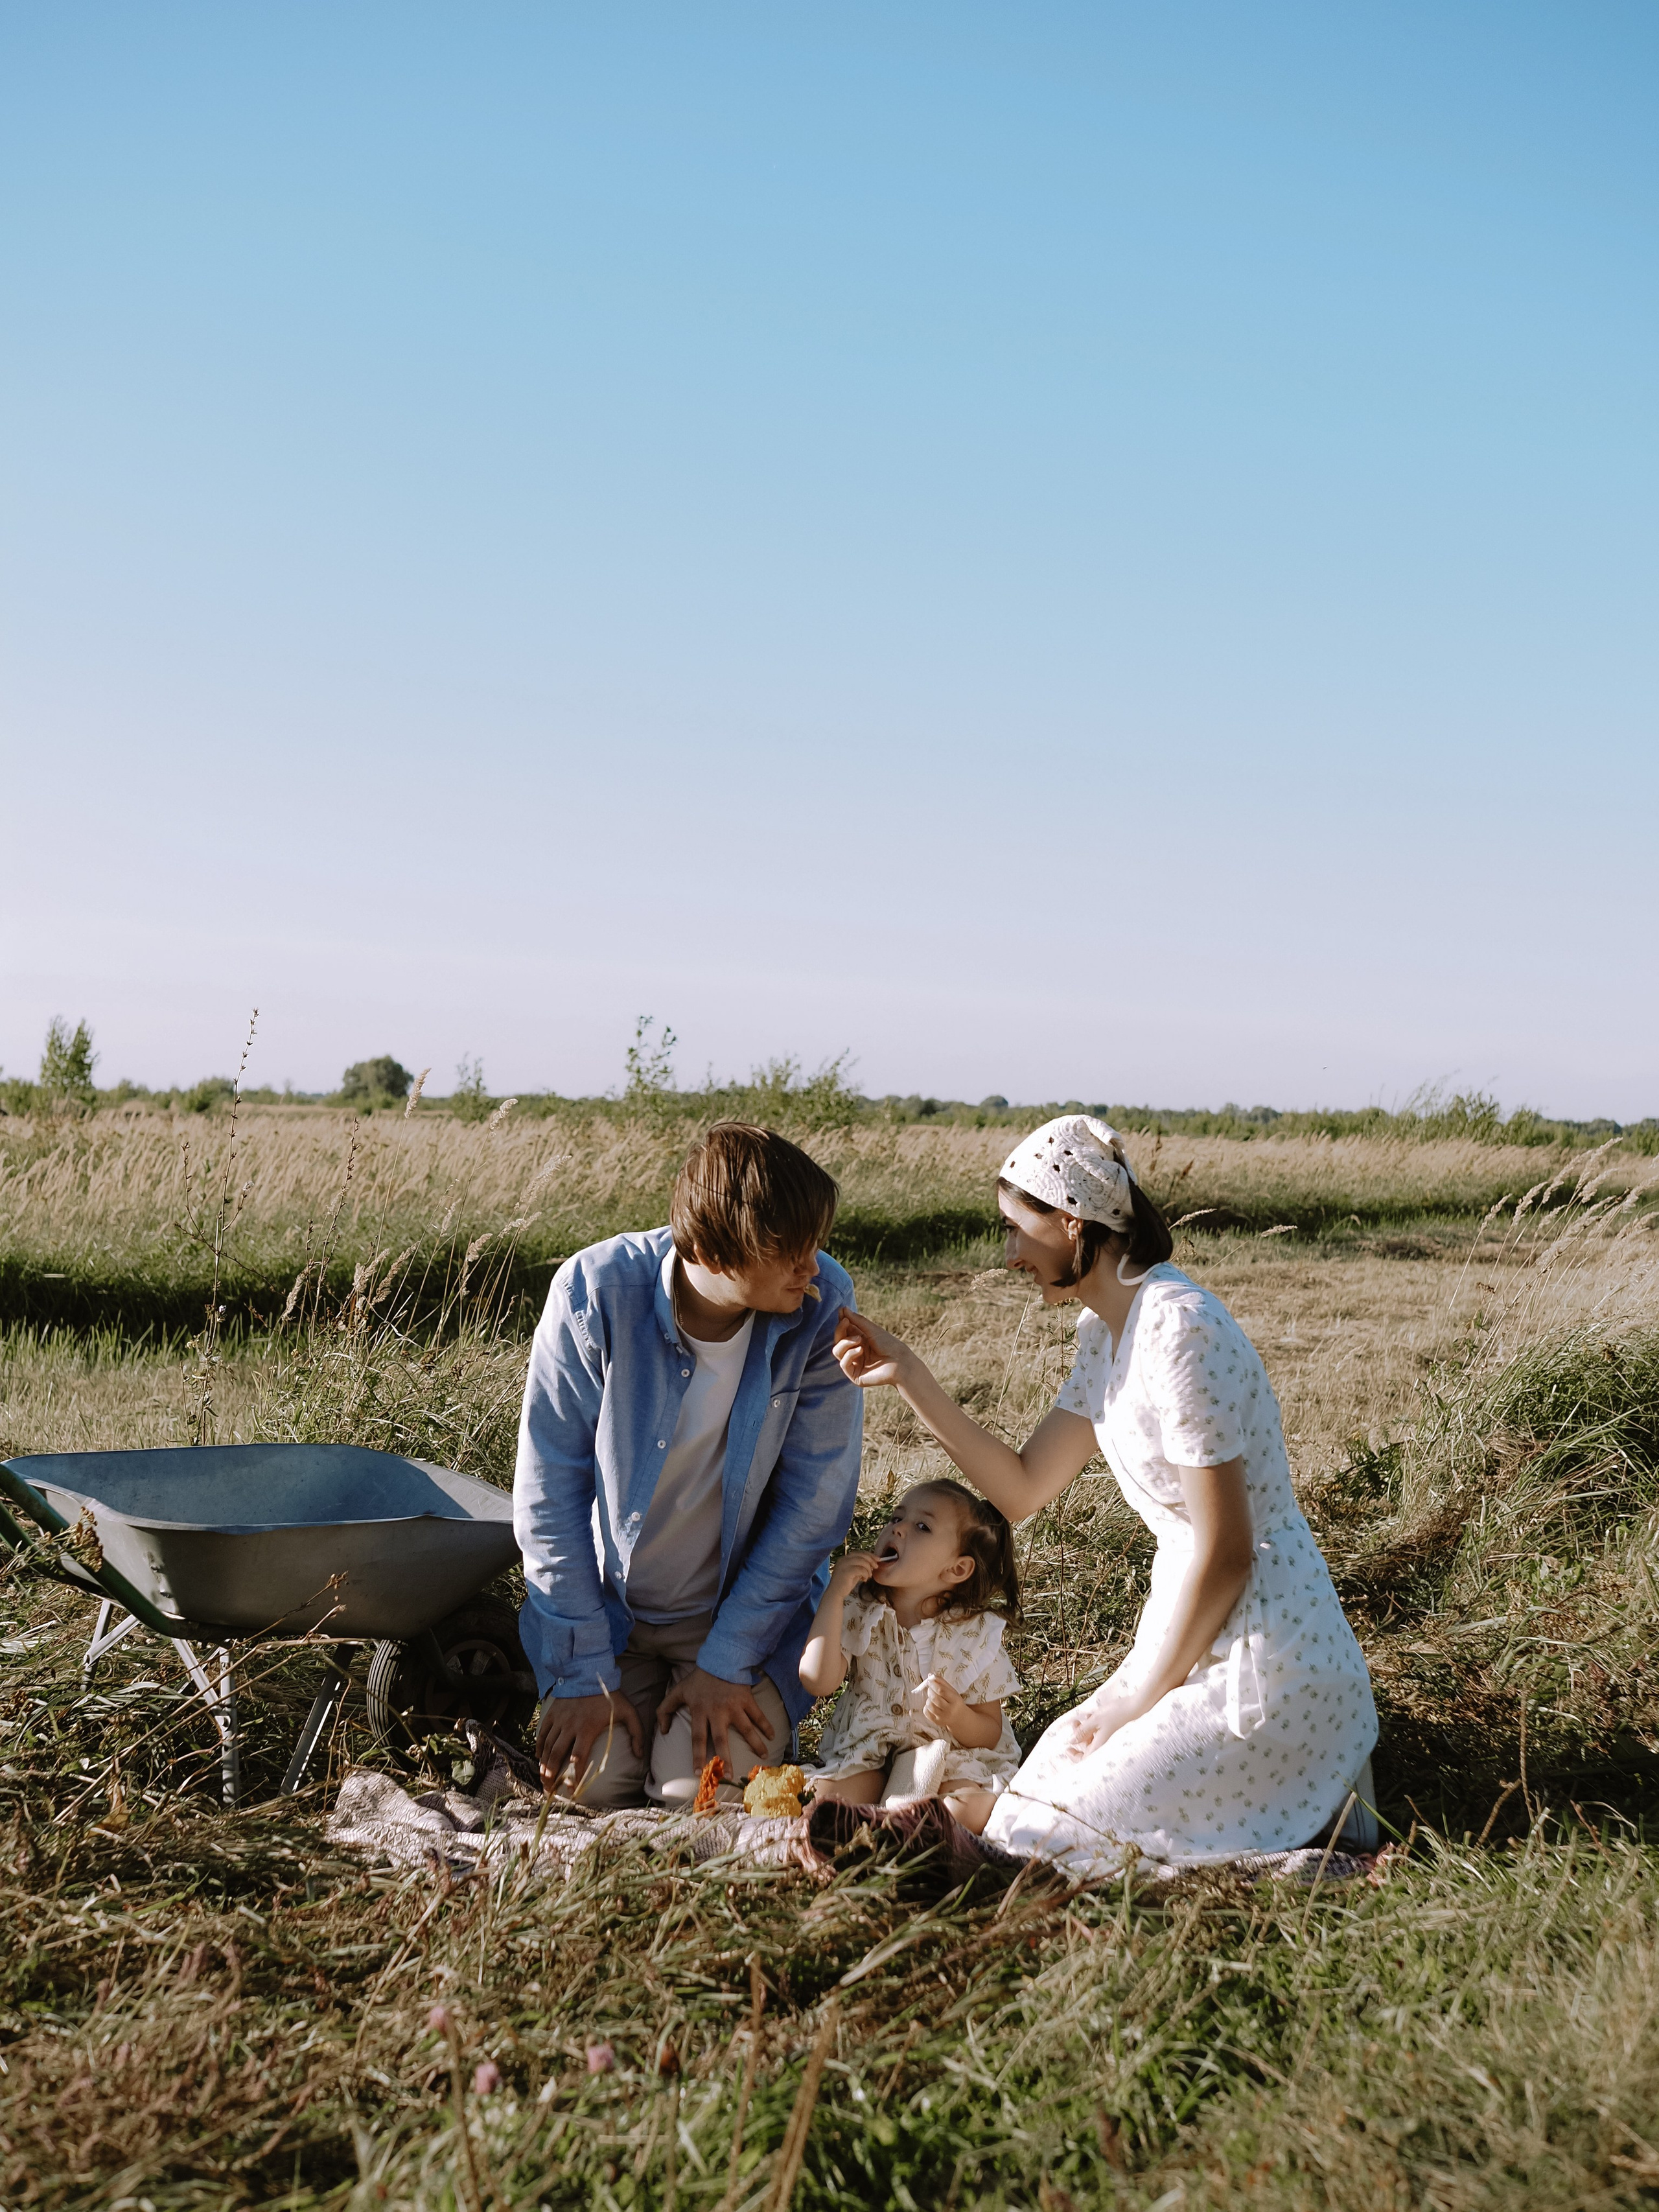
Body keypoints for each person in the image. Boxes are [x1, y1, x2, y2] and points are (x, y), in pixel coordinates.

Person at [831, 1114, 1378, 1879]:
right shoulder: (1107, 1331)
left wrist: (1136, 1700)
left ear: (1070, 1221)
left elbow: (1225, 1553)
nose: (1011, 1252)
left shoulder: (1180, 1330)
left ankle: (1321, 1832)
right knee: (1033, 1803)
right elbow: (1020, 1489)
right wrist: (910, 1374)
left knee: (1059, 1845)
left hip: (1264, 1656)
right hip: (1185, 1635)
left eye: (1018, 1228)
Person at [514, 1121, 863, 1809]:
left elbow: (813, 1507)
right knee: (591, 1789)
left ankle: (728, 1703)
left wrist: (728, 1660)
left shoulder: (822, 1306)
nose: (812, 1267)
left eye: (815, 1244)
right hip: (606, 1613)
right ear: (706, 1247)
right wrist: (582, 1673)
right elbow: (548, 1496)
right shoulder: (593, 1292)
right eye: (787, 1251)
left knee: (695, 1795)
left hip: (737, 1614)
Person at [798, 1480, 1022, 1833]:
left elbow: (990, 1733)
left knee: (962, 1810)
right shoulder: (859, 1608)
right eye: (896, 1518)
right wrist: (834, 1595)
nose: (898, 1528)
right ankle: (884, 1829)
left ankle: (913, 1833)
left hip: (951, 1756)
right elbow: (817, 1680)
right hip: (870, 1753)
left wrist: (959, 1716)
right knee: (820, 1805)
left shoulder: (976, 1634)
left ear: (956, 1570)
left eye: (922, 1527)